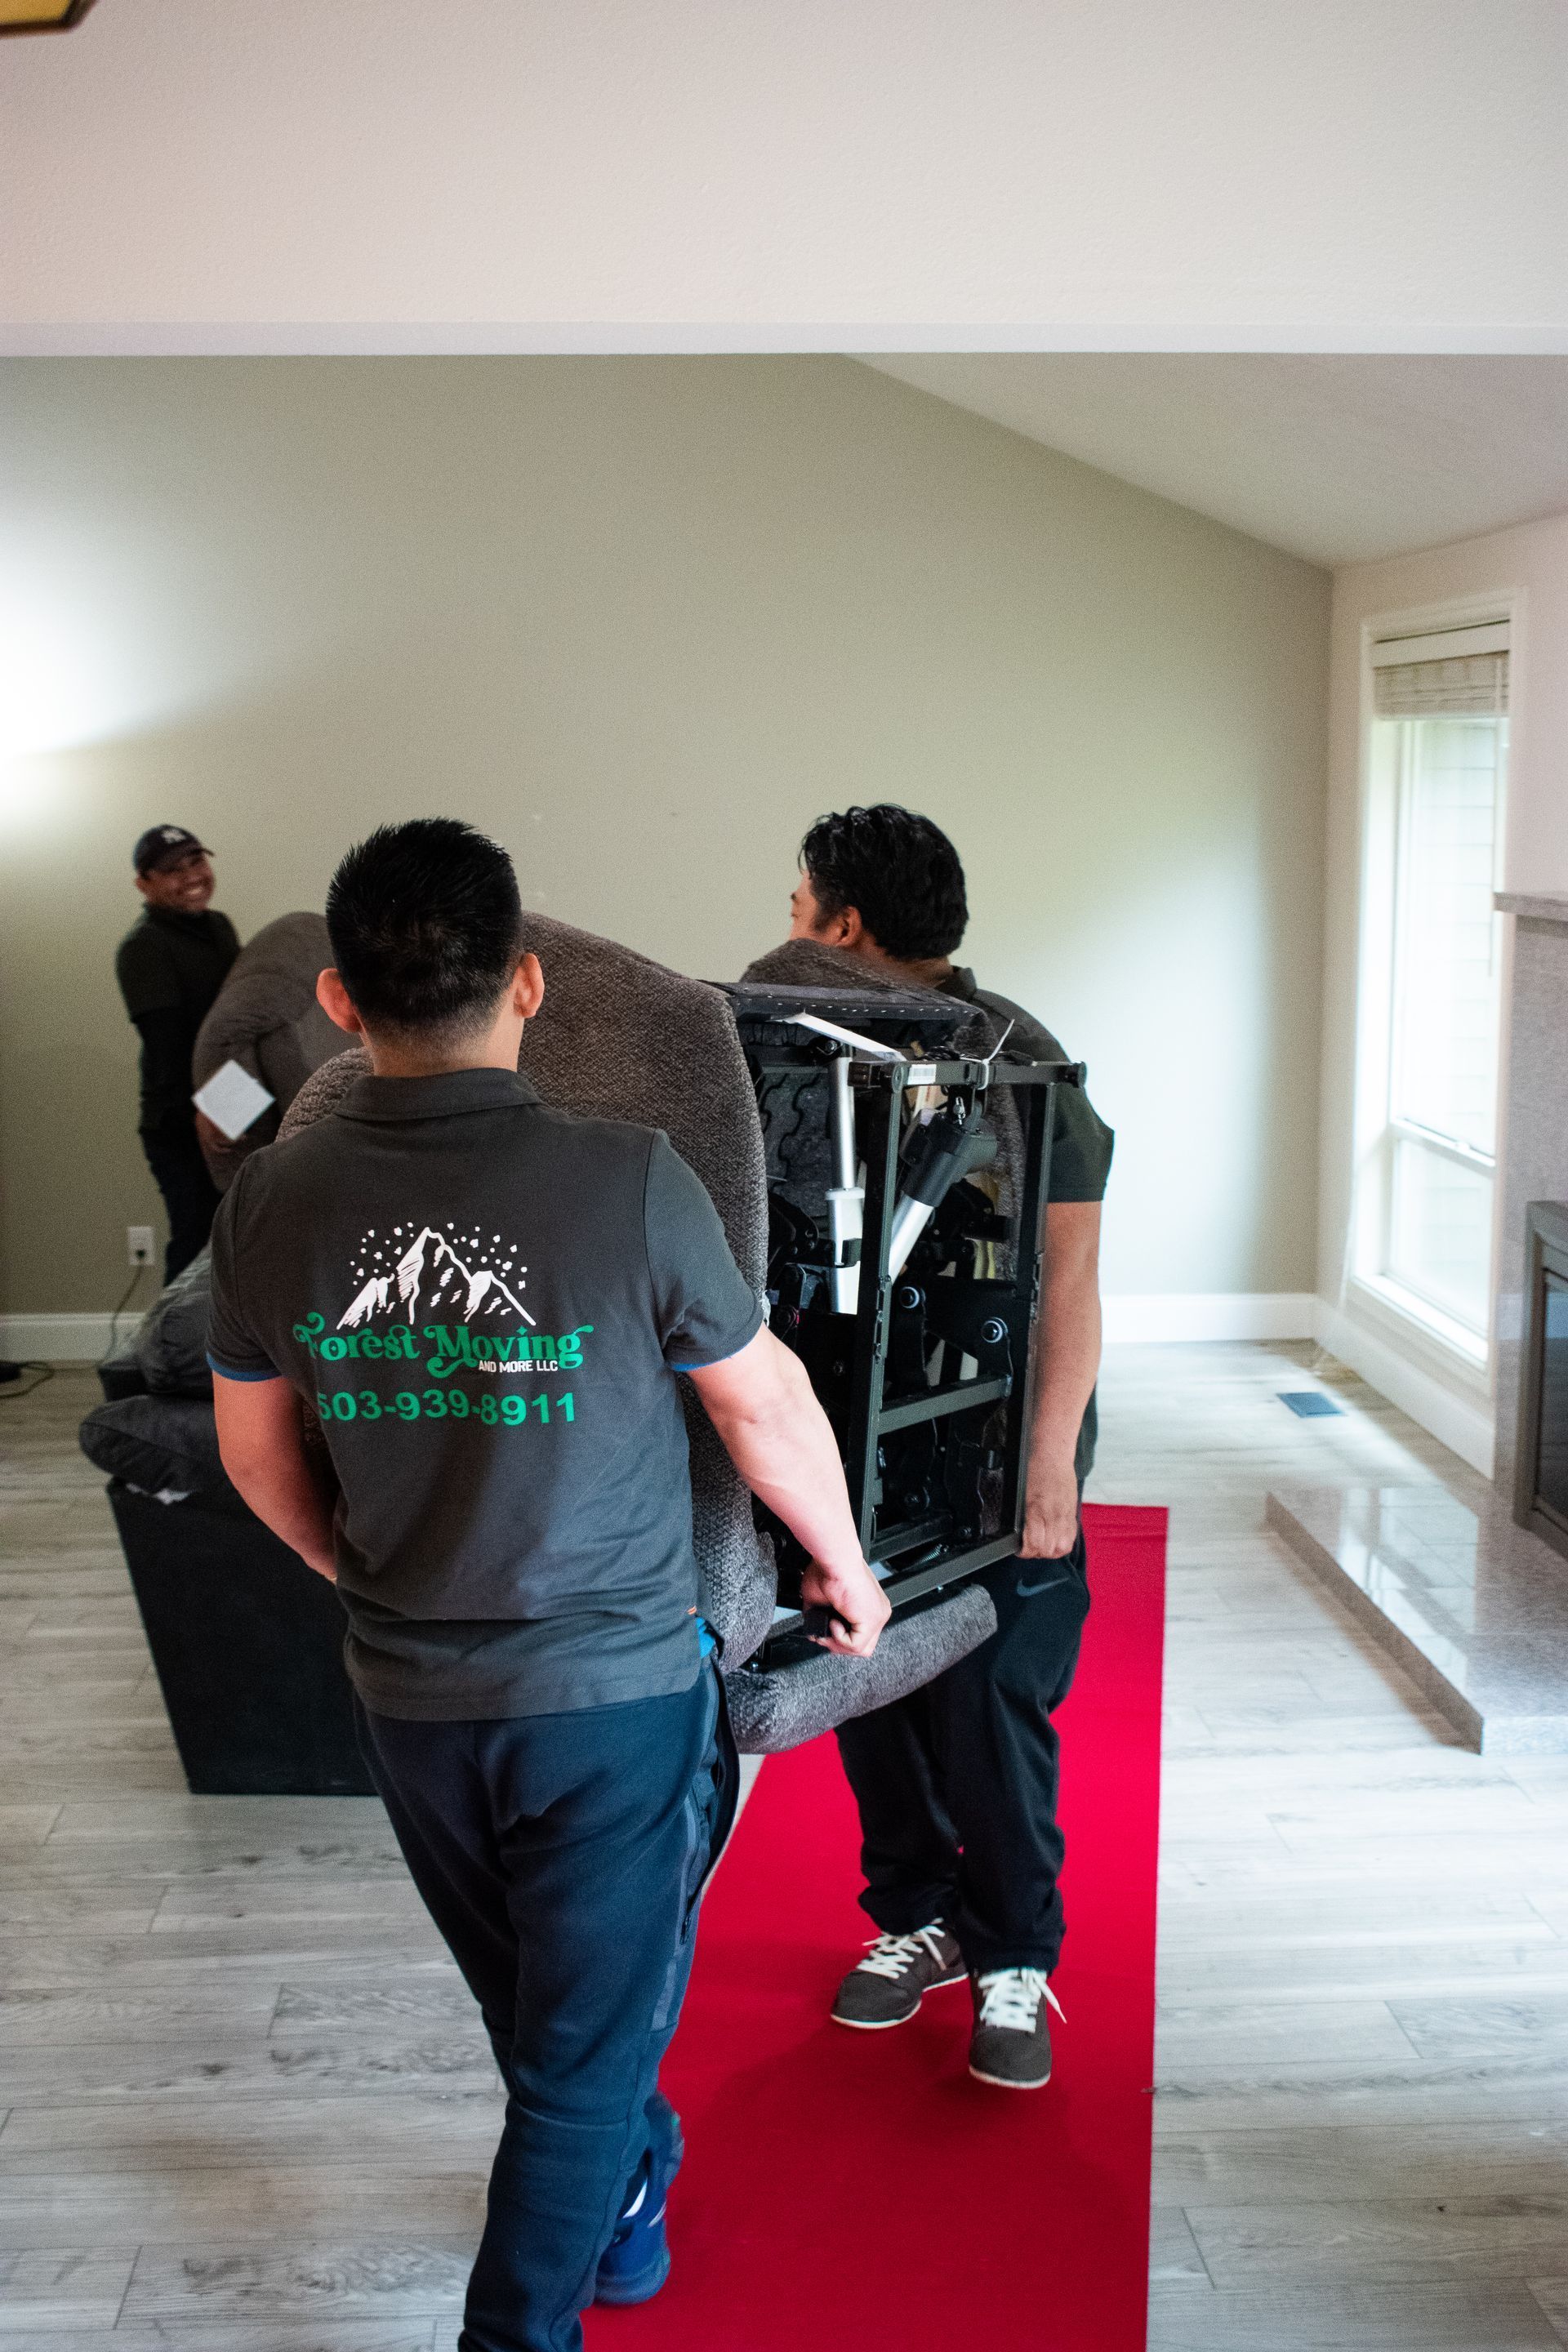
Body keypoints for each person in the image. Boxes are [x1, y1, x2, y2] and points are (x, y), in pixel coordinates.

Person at [206, 818, 889, 2352]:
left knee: (546, 2018)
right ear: (525, 984)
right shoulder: (630, 1179)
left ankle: (629, 2193)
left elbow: (255, 1457)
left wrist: (350, 1568)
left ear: (339, 1001)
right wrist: (848, 1574)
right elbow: (764, 1410)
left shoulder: (271, 1200)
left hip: (413, 1704)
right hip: (614, 1701)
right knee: (575, 2054)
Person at [786, 803, 1114, 2091]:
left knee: (990, 1691)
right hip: (857, 1428)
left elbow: (1070, 1279)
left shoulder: (1022, 1061)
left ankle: (1014, 1952)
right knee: (868, 1676)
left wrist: (1049, 1461)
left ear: (844, 924)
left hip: (997, 1432)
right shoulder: (796, 1053)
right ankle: (919, 1913)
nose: (788, 928)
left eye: (800, 905)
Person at [114, 825, 240, 1280]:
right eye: (173, 870)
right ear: (143, 883)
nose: (192, 876)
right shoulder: (143, 947)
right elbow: (168, 1046)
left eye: (196, 861)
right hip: (181, 1118)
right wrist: (204, 1110)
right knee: (196, 1242)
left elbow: (234, 1022)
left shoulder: (219, 927)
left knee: (241, 1237)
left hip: (231, 1100)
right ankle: (175, 1332)